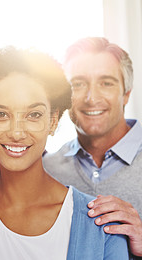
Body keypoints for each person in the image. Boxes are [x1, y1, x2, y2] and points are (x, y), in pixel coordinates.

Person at [0, 47, 129, 259]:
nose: (17, 132)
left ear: (53, 121)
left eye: (33, 114)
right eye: (1, 114)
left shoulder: (102, 227)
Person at [43, 37, 142, 258]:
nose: (91, 97)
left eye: (106, 83)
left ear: (126, 94)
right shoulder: (46, 170)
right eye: (77, 84)